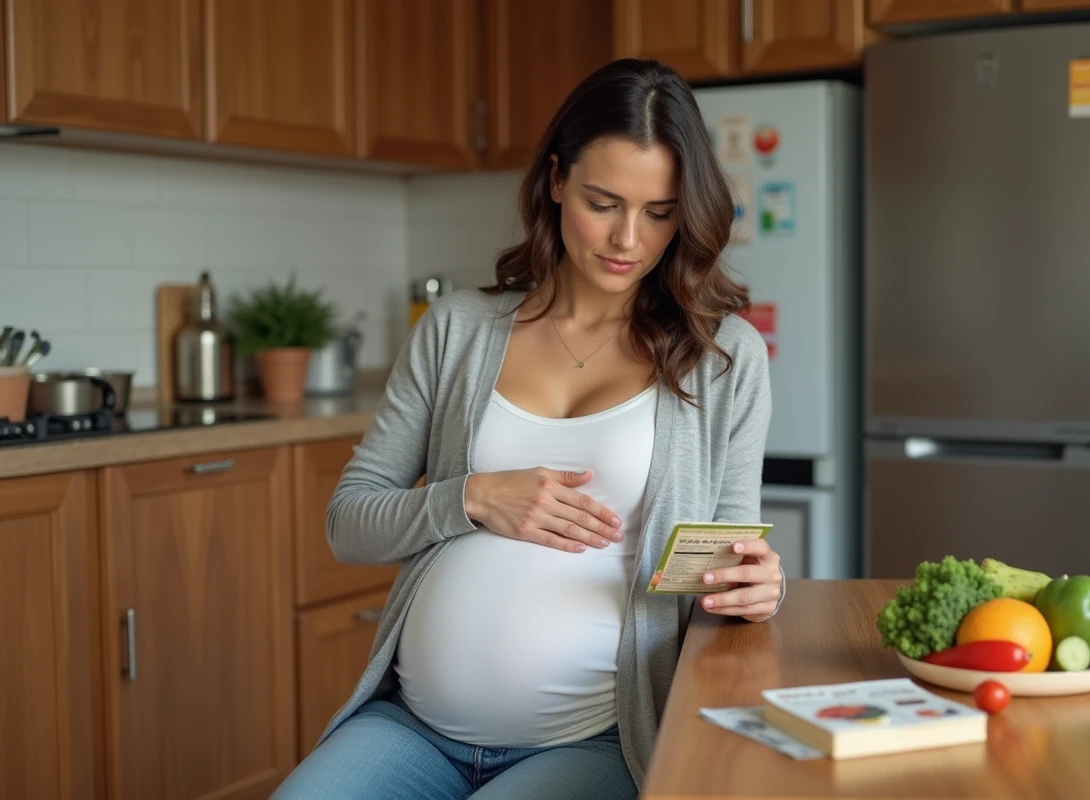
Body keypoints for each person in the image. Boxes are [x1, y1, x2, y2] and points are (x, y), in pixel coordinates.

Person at [272, 57, 784, 800]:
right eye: (603, 203)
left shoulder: (721, 354)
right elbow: (348, 525)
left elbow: (726, 553)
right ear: (556, 181)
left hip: (596, 738)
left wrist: (755, 586)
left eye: (659, 212)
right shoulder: (457, 329)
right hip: (411, 728)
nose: (628, 239)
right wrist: (473, 497)